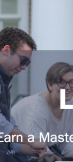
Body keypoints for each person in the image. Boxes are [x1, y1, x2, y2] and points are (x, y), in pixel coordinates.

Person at [11, 62, 73, 161]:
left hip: (45, 151)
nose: (68, 87)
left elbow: (67, 141)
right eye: (61, 82)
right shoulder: (38, 108)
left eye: (72, 82)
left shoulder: (70, 105)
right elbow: (40, 150)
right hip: (17, 152)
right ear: (50, 85)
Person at [0, 27, 46, 162]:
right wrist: (30, 141)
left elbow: (9, 133)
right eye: (23, 60)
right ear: (6, 50)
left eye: (28, 63)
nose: (25, 67)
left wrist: (35, 150)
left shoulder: (4, 82)